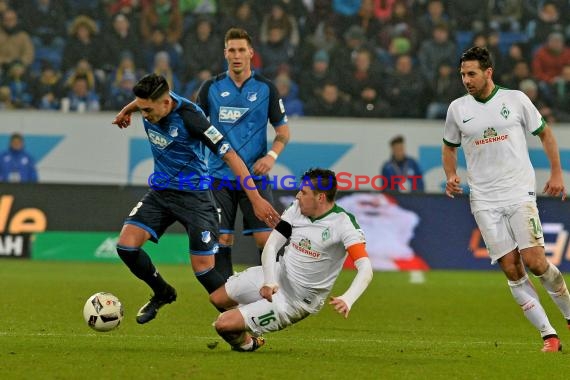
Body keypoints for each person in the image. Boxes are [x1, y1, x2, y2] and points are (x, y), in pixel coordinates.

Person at [111, 73, 280, 324]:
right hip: (161, 192)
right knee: (126, 246)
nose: (144, 115)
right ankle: (163, 292)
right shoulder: (150, 103)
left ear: (166, 103)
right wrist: (126, 111)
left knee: (204, 271)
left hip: (195, 198)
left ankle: (243, 325)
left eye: (147, 110)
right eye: (141, 108)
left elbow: (231, 157)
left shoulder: (192, 119)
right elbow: (140, 103)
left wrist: (255, 198)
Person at [443, 46, 570, 353]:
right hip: (484, 199)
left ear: (489, 73)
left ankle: (568, 314)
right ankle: (549, 336)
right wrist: (450, 175)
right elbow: (449, 147)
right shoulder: (457, 109)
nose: (466, 80)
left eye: (471, 73)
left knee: (535, 262)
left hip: (517, 192)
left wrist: (556, 173)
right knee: (512, 270)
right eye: (462, 74)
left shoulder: (515, 99)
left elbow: (546, 134)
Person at [209, 168, 374, 352]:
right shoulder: (297, 209)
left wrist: (348, 298)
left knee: (223, 325)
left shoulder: (343, 224)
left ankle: (248, 343)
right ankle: (249, 319)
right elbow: (271, 246)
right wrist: (270, 280)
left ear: (320, 197)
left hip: (294, 301)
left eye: (303, 192)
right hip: (278, 276)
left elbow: (365, 267)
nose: (297, 196)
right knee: (217, 298)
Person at [195, 28, 290, 281]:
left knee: (267, 237)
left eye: (241, 50)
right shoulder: (210, 88)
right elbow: (194, 125)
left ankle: (274, 292)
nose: (237, 55)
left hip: (254, 177)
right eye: (232, 50)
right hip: (218, 176)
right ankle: (228, 297)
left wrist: (271, 157)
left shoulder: (266, 88)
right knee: (223, 238)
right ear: (225, 53)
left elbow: (283, 132)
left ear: (250, 53)